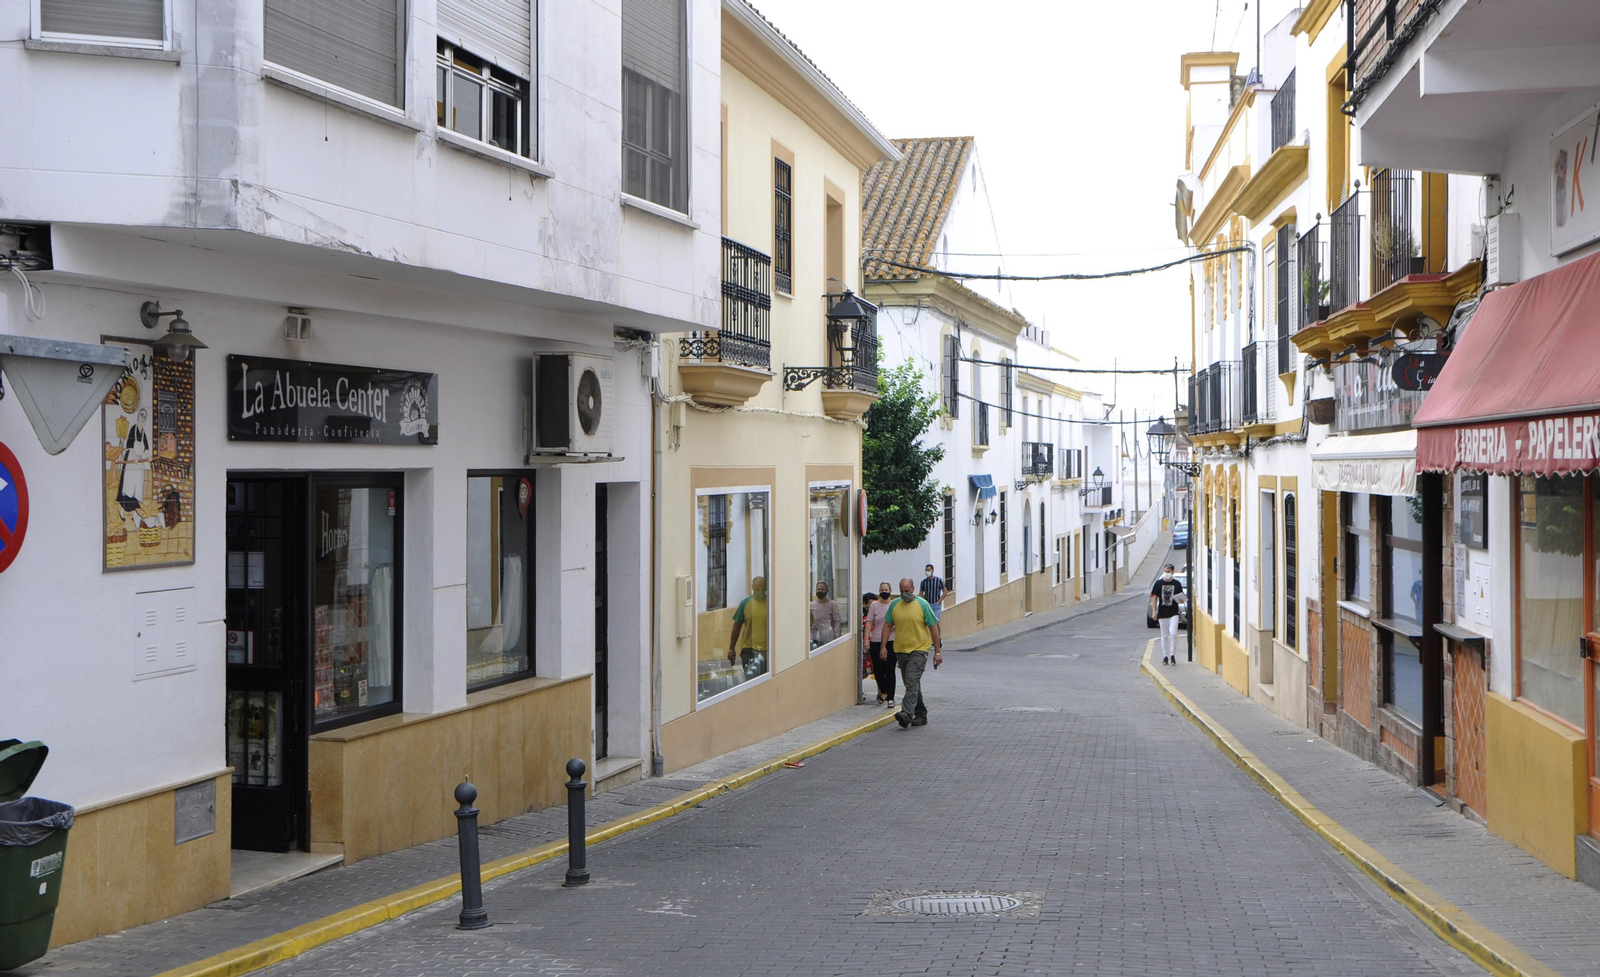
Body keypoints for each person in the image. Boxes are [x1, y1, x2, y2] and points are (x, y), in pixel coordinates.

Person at [883, 577, 943, 728]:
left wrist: (937, 651)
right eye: (902, 591)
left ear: (913, 589)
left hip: (919, 649)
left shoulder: (923, 605)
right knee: (912, 683)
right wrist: (883, 646)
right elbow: (887, 625)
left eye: (907, 591)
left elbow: (934, 628)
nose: (904, 594)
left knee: (910, 682)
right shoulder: (895, 605)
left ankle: (906, 714)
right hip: (900, 650)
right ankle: (921, 714)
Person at [727, 576, 768, 679]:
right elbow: (737, 627)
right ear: (752, 588)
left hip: (767, 650)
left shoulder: (770, 603)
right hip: (749, 650)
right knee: (751, 680)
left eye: (762, 589)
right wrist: (731, 649)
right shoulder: (745, 603)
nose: (759, 592)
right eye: (756, 590)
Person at [863, 582, 896, 707]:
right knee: (878, 670)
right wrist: (866, 639)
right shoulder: (874, 605)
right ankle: (883, 690)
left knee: (889, 669)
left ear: (890, 590)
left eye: (886, 589)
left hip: (891, 640)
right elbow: (869, 623)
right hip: (876, 640)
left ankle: (891, 698)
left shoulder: (894, 604)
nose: (884, 591)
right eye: (882, 589)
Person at [1150, 564, 1187, 665]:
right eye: (1165, 571)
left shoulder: (1177, 584)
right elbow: (1155, 598)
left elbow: (1181, 598)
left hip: (1173, 612)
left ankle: (1172, 655)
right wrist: (1154, 612)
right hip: (1162, 613)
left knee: (1173, 633)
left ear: (1172, 572)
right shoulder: (1158, 584)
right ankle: (1165, 656)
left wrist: (1181, 601)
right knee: (1164, 635)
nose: (1166, 573)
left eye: (1168, 571)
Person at [809, 581, 841, 649]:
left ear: (827, 591)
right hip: (814, 638)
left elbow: (837, 622)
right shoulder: (811, 605)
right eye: (818, 589)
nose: (820, 591)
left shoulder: (832, 604)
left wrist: (838, 639)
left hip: (827, 638)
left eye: (822, 589)